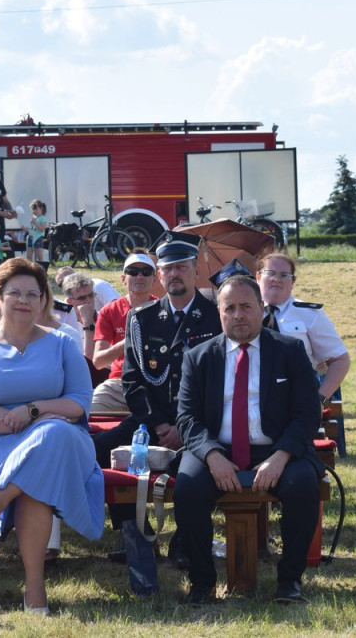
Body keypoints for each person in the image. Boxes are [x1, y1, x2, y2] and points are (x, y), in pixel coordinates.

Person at [0, 257, 103, 613]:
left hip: (62, 443)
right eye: (15, 293)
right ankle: (35, 590)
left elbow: (80, 403)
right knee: (37, 479)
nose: (24, 300)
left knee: (52, 433)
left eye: (32, 294)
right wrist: (18, 423)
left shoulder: (64, 344)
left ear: (43, 300)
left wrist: (32, 410)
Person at [174, 274, 322, 605]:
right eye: (230, 308)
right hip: (215, 447)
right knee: (187, 487)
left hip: (277, 447)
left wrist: (281, 456)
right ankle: (202, 582)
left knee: (303, 486)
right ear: (220, 313)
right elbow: (187, 419)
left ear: (261, 309)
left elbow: (307, 415)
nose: (238, 315)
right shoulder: (198, 357)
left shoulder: (290, 350)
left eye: (246, 307)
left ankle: (289, 581)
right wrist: (212, 455)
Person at [91, 235, 222, 587]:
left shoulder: (216, 314)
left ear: (196, 271)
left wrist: (185, 427)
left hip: (203, 425)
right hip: (151, 419)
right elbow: (133, 382)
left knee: (194, 474)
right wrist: (160, 423)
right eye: (169, 269)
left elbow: (224, 384)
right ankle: (134, 531)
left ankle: (183, 540)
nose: (176, 274)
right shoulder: (142, 318)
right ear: (159, 276)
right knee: (98, 453)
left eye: (183, 266)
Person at [257, 253, 351, 406]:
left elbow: (340, 360)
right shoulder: (245, 313)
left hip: (298, 394)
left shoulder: (309, 314)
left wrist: (319, 398)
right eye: (270, 273)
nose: (277, 279)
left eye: (284, 275)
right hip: (254, 394)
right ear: (258, 277)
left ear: (293, 281)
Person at [90, 253, 158, 414]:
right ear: (123, 278)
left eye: (146, 272)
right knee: (88, 413)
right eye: (133, 271)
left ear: (155, 280)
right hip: (118, 383)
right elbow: (98, 361)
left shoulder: (165, 309)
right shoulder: (110, 311)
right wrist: (131, 339)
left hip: (155, 382)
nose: (140, 276)